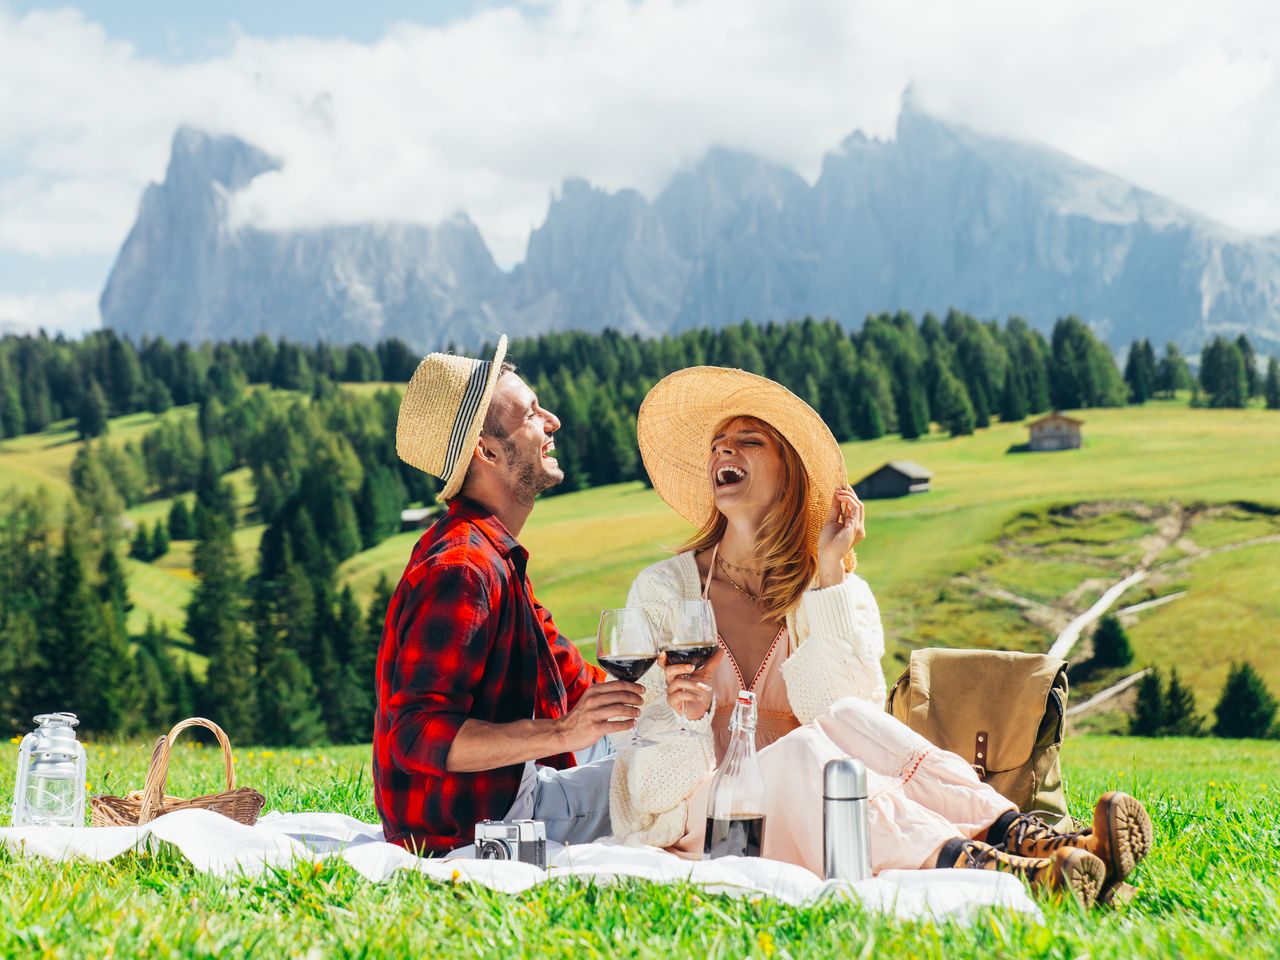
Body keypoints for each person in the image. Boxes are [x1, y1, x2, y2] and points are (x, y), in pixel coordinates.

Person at [608, 366, 1153, 907]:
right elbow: (651, 784)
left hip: (828, 806)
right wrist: (686, 718)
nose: (724, 453)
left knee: (847, 719)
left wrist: (827, 575)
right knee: (800, 753)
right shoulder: (664, 592)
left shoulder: (832, 590)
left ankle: (1028, 839)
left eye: (748, 442)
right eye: (717, 446)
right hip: (706, 821)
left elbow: (848, 713)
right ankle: (988, 867)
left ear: (791, 472)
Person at [373, 337, 647, 855]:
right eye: (530, 414)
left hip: (503, 795)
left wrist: (672, 695)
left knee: (678, 752)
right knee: (680, 787)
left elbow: (575, 683)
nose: (553, 421)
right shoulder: (463, 569)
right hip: (477, 825)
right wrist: (562, 734)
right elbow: (415, 734)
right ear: (487, 450)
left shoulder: (494, 555)